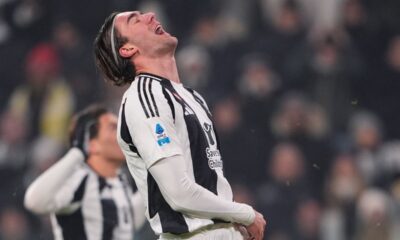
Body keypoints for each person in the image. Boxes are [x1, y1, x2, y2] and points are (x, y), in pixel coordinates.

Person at [93, 11, 266, 240]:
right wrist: (244, 214)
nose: (150, 16)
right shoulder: (144, 96)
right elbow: (178, 193)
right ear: (127, 49)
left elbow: (204, 182)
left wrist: (231, 222)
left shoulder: (192, 97)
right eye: (135, 20)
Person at [24, 105, 146, 240]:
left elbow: (126, 224)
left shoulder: (120, 179)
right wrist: (77, 153)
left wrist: (150, 179)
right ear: (92, 144)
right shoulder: (80, 179)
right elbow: (35, 201)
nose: (122, 133)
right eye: (113, 128)